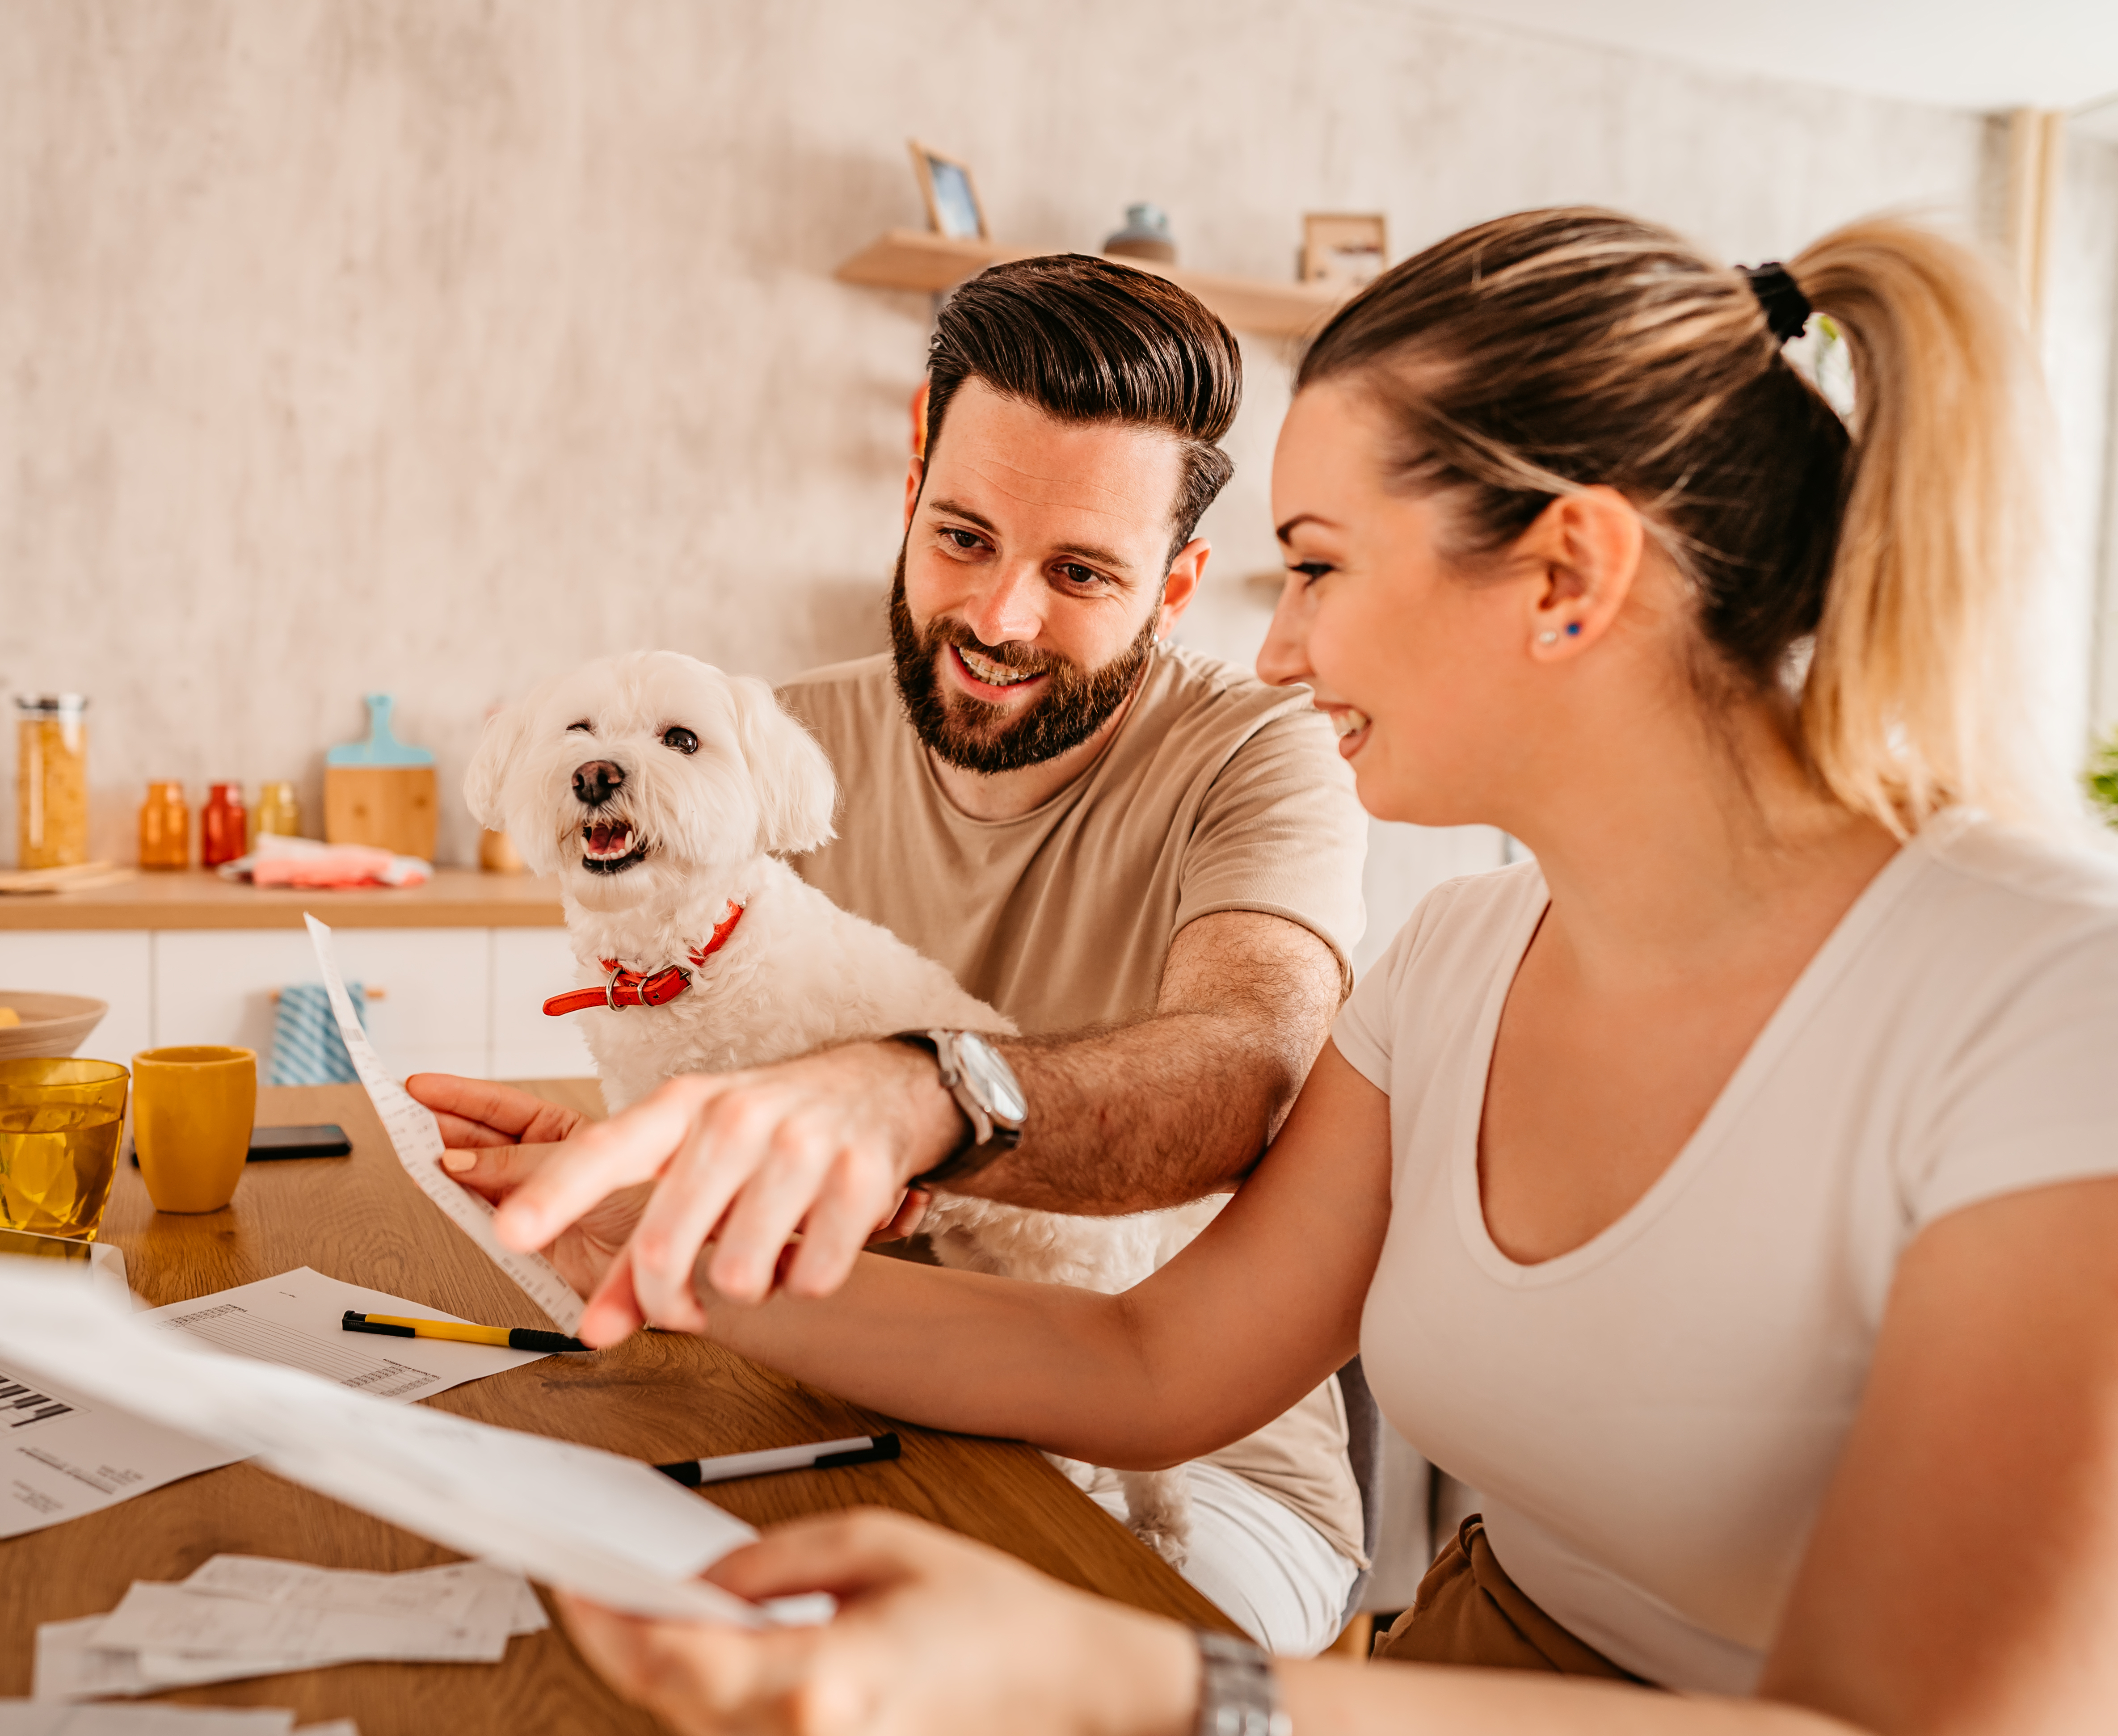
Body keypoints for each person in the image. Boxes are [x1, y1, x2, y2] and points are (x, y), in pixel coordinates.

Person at [465, 209, 2118, 1734]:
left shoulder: (2049, 1002)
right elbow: (1149, 1363)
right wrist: (650, 1225)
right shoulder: (1456, 962)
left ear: (1566, 578)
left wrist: (1140, 1682)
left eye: (1315, 565)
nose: (1273, 646)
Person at [414, 252, 1374, 1652]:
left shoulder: (1261, 756)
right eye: (964, 539)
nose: (998, 621)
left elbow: (1252, 1068)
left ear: (1178, 584)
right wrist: (668, 1182)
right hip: (830, 1385)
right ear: (910, 481)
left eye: (1081, 573)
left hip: (1199, 1464)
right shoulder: (752, 740)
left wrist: (923, 1094)